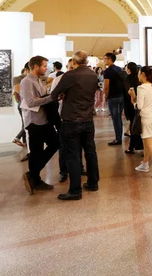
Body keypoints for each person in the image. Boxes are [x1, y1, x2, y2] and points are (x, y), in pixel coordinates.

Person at [51, 51, 100, 201]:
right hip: (87, 119)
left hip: (72, 120)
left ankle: (75, 190)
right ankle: (93, 183)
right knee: (90, 151)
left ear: (74, 61)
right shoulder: (92, 75)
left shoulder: (70, 75)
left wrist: (64, 94)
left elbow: (54, 94)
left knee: (73, 155)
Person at [20, 56, 59, 195]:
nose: (46, 68)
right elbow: (30, 102)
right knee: (36, 152)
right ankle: (35, 179)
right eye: (43, 66)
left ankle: (32, 174)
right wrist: (52, 97)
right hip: (34, 122)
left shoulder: (39, 80)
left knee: (55, 143)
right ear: (35, 66)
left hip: (44, 120)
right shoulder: (27, 82)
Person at [131, 67, 152, 178]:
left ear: (143, 74)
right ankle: (145, 164)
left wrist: (133, 98)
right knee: (147, 141)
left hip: (146, 117)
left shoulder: (141, 88)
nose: (138, 75)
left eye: (139, 73)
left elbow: (139, 106)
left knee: (149, 144)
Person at [103, 52, 125, 146]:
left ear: (109, 59)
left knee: (115, 118)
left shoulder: (107, 71)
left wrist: (106, 96)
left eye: (105, 58)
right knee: (119, 117)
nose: (104, 60)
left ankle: (118, 139)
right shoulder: (119, 69)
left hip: (113, 97)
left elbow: (106, 86)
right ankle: (119, 137)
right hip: (121, 96)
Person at [123, 62, 144, 154]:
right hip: (140, 104)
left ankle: (133, 146)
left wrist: (133, 100)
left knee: (133, 125)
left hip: (131, 104)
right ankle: (136, 145)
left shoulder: (128, 79)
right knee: (136, 124)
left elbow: (130, 91)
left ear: (129, 69)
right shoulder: (139, 78)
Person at [12, 63, 29, 149]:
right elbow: (17, 91)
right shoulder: (17, 78)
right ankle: (17, 138)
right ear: (26, 70)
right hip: (22, 104)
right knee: (27, 123)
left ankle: (24, 142)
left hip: (26, 104)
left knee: (24, 123)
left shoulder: (34, 78)